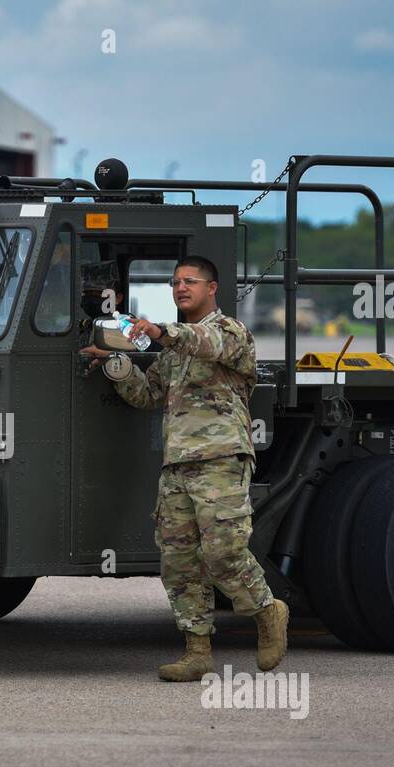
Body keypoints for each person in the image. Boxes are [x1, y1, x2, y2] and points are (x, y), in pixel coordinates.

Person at [80, 255, 288, 681]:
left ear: (212, 288)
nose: (180, 288)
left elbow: (201, 342)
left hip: (221, 460)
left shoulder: (230, 332)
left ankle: (268, 611)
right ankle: (197, 650)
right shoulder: (174, 353)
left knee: (224, 552)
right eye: (175, 282)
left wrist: (158, 331)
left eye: (190, 281)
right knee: (178, 562)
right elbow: (146, 394)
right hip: (177, 465)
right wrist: (115, 364)